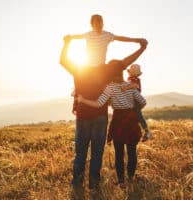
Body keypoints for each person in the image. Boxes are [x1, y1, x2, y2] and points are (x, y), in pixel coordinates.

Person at [59, 34, 148, 193]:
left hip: (83, 117)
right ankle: (95, 185)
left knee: (80, 153)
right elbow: (126, 62)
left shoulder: (79, 68)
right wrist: (141, 47)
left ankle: (77, 185)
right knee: (97, 154)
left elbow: (63, 61)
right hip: (101, 118)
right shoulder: (108, 70)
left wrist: (66, 43)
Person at [77, 70, 146, 185]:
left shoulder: (110, 87)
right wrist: (134, 110)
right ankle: (130, 178)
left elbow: (99, 104)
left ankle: (121, 181)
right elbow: (143, 102)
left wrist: (83, 100)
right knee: (132, 152)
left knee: (119, 153)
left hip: (118, 121)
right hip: (131, 121)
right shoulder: (130, 86)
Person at [67, 14, 143, 115]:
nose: (98, 25)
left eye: (99, 23)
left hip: (101, 67)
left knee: (107, 85)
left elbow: (120, 38)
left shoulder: (107, 35)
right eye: (95, 23)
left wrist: (136, 40)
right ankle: (76, 106)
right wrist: (70, 37)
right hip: (87, 66)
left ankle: (109, 101)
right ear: (92, 24)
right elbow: (78, 36)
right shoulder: (88, 34)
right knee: (79, 83)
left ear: (102, 24)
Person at [122, 64, 152, 141]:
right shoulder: (130, 78)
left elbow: (135, 86)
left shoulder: (135, 79)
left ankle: (147, 131)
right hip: (131, 100)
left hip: (135, 101)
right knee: (134, 117)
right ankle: (136, 133)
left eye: (131, 72)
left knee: (138, 115)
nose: (129, 73)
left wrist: (125, 88)